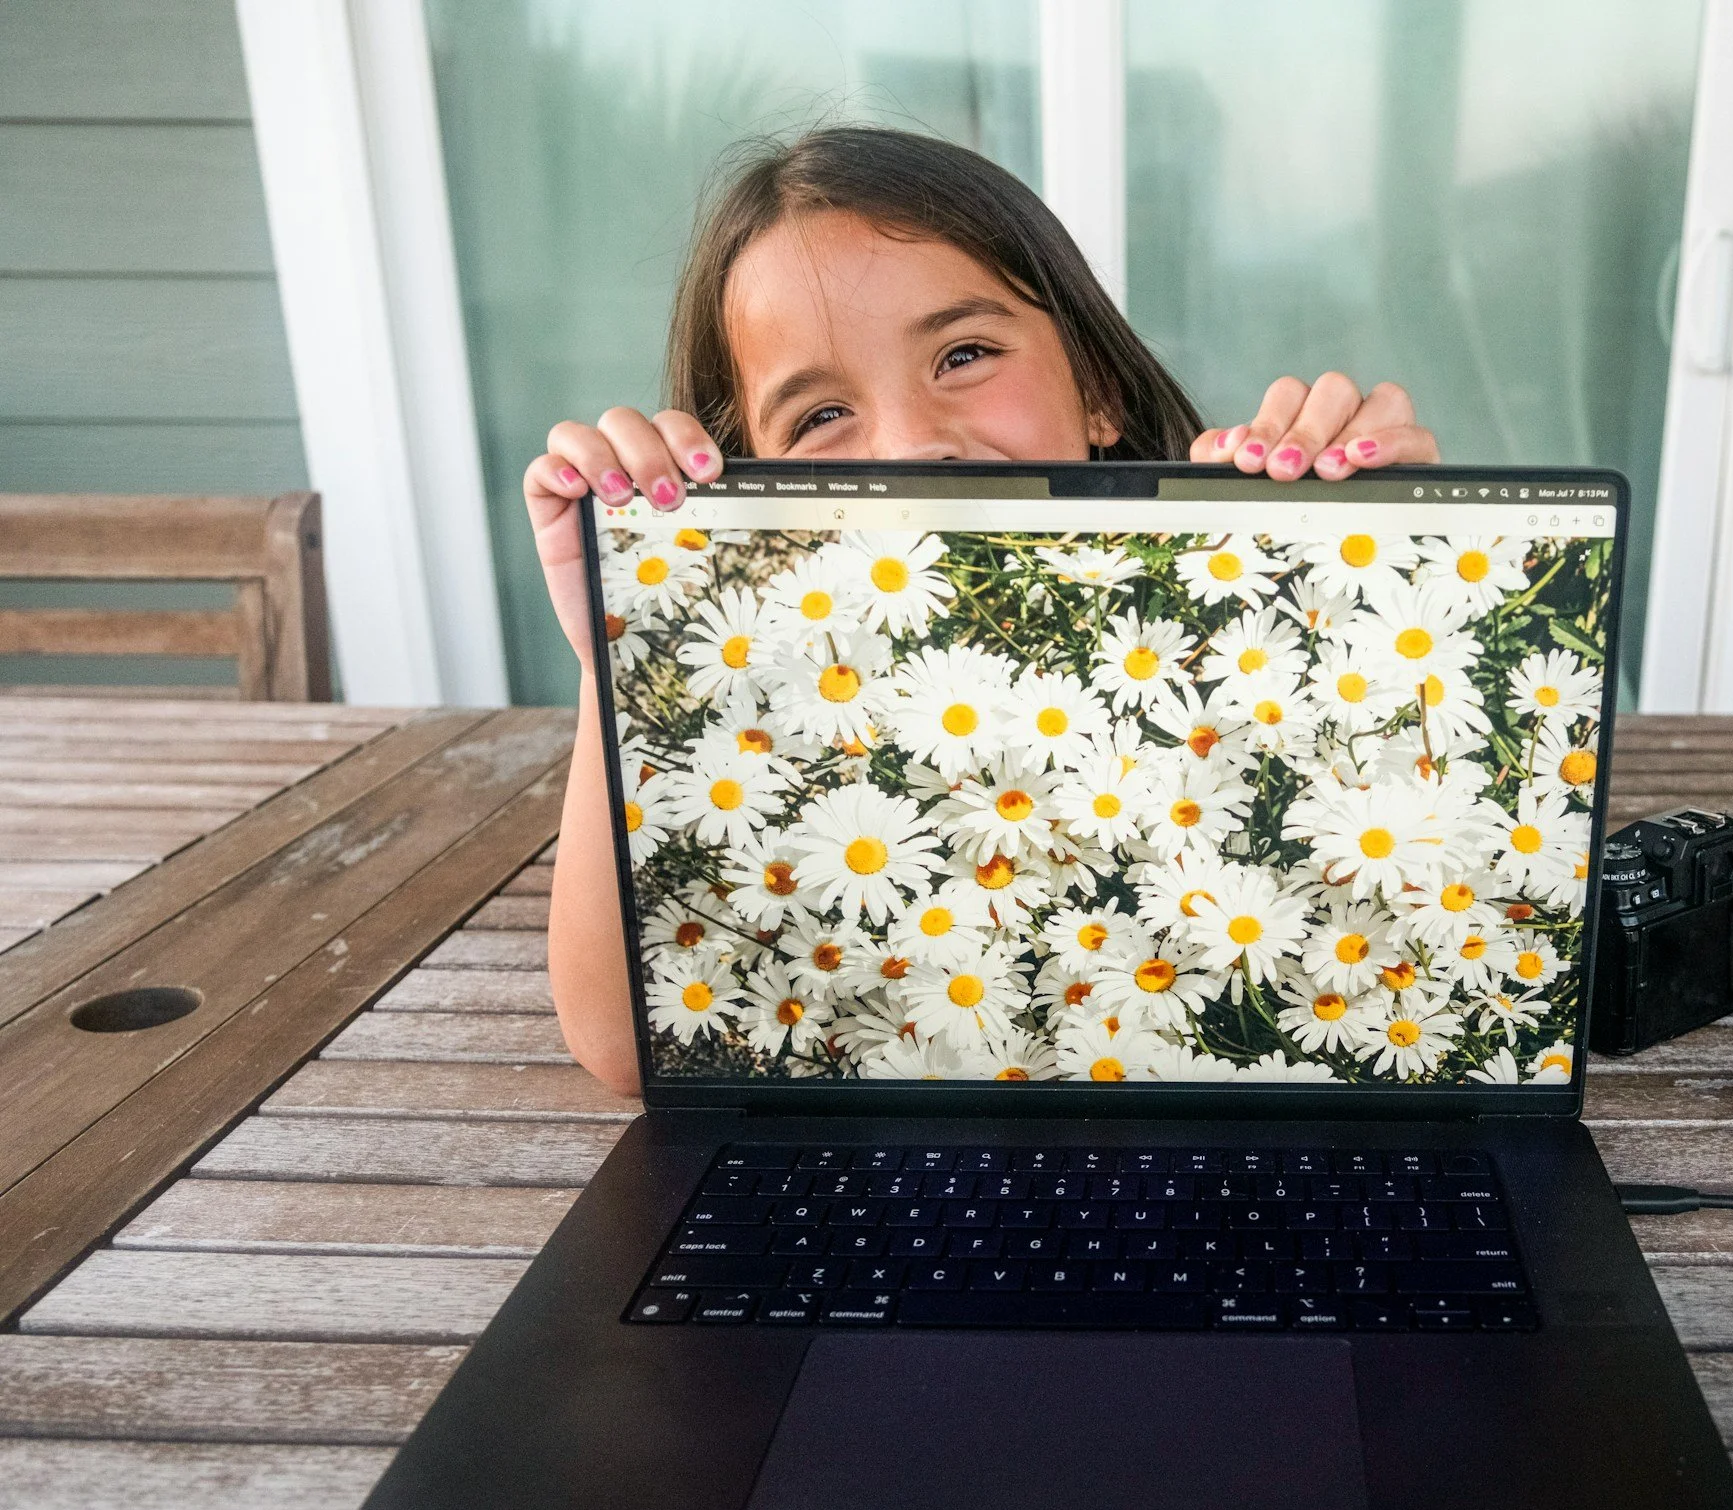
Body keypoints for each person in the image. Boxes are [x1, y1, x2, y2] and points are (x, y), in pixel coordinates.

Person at [524, 126, 1440, 1095]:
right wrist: (618, 654)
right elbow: (628, 1046)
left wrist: (1370, 600)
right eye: (820, 416)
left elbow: (1385, 951)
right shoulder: (771, 726)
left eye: (962, 353)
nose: (914, 446)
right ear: (745, 477)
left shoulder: (1232, 630)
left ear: (1098, 389)